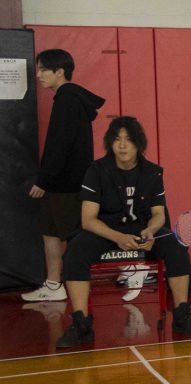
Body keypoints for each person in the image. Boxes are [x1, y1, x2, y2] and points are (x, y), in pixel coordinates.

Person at [55, 116, 191, 348]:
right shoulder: (96, 171)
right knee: (74, 252)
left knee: (177, 248)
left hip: (143, 229)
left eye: (129, 140)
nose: (123, 145)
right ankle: (81, 324)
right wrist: (118, 237)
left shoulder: (153, 172)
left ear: (139, 144)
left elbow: (158, 214)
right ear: (110, 143)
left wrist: (151, 232)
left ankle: (181, 315)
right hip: (106, 230)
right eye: (117, 140)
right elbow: (88, 220)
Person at [22, 49, 105, 303]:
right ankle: (56, 283)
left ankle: (56, 284)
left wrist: (44, 179)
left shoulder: (67, 100)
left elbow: (59, 145)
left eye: (43, 69)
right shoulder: (72, 99)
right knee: (63, 233)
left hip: (64, 184)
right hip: (73, 182)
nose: (38, 75)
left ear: (60, 71)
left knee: (55, 233)